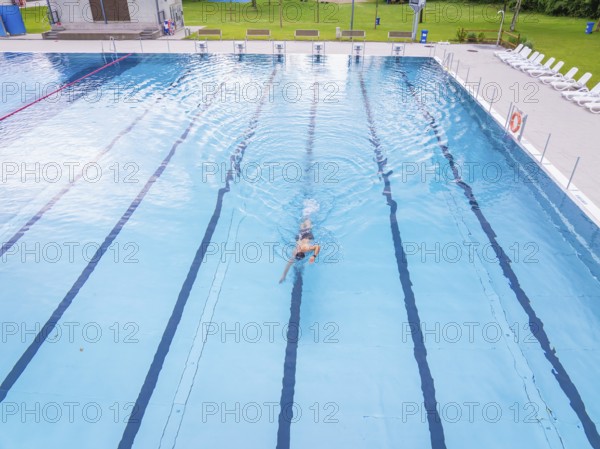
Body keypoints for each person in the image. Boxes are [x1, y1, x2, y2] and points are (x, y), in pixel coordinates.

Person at [279, 219, 320, 283]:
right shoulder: (297, 251)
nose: (298, 249)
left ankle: (306, 217)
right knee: (306, 224)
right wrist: (283, 276)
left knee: (305, 224)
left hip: (303, 236)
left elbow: (317, 246)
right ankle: (306, 217)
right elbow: (288, 265)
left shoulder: (305, 248)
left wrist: (314, 256)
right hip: (303, 236)